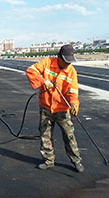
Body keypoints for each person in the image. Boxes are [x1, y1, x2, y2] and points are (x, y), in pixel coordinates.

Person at [26, 44, 84, 173]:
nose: (67, 64)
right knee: (45, 135)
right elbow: (31, 70)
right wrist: (43, 81)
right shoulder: (47, 62)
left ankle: (76, 161)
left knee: (69, 136)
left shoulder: (71, 71)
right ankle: (48, 161)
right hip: (46, 106)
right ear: (59, 57)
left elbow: (73, 91)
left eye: (70, 61)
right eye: (65, 61)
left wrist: (74, 105)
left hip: (62, 109)